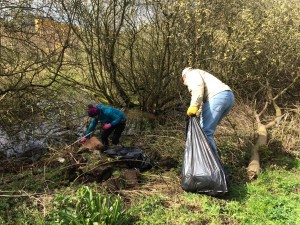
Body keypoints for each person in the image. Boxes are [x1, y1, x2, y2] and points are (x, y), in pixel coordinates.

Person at [182, 67, 234, 156]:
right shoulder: (201, 74)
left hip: (217, 97)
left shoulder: (191, 74)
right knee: (207, 130)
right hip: (228, 97)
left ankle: (213, 164)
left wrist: (193, 106)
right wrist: (198, 112)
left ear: (184, 77)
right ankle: (212, 160)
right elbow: (204, 101)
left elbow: (198, 89)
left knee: (205, 132)